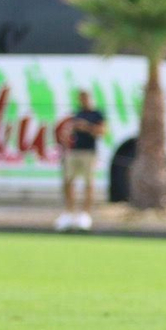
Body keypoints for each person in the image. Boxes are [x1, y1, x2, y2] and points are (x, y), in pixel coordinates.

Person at [54, 88, 104, 232]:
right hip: (74, 152)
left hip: (88, 153)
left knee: (88, 183)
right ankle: (69, 213)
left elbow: (102, 131)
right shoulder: (77, 113)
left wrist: (86, 127)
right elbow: (70, 131)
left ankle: (85, 215)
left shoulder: (97, 114)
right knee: (68, 181)